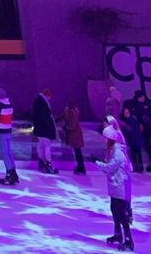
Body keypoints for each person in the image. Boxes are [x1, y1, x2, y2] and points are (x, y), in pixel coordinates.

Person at [93, 122, 134, 251]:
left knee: (121, 214)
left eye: (105, 137)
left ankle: (129, 241)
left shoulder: (118, 153)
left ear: (110, 138)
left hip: (120, 186)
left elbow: (109, 168)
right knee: (115, 211)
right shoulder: (113, 151)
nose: (103, 139)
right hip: (115, 186)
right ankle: (118, 235)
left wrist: (96, 162)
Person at [0, 87, 19, 185]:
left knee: (5, 154)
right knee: (9, 153)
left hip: (1, 132)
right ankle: (14, 173)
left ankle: (9, 175)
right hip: (8, 131)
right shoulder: (9, 105)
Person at [31, 87, 58, 174]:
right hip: (45, 129)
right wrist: (49, 127)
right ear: (46, 95)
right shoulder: (43, 103)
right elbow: (45, 117)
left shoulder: (38, 101)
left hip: (39, 129)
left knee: (41, 145)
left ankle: (41, 162)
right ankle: (48, 164)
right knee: (46, 146)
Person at [59, 99, 86, 174]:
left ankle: (81, 167)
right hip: (74, 135)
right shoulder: (69, 111)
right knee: (77, 151)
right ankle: (80, 166)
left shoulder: (72, 113)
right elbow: (62, 116)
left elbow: (73, 125)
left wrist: (65, 127)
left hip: (75, 135)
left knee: (78, 151)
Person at [119, 105, 144, 173]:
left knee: (138, 154)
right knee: (133, 155)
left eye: (127, 112)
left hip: (136, 139)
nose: (126, 114)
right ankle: (135, 167)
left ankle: (140, 167)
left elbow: (136, 130)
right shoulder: (124, 122)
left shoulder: (133, 119)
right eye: (125, 113)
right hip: (131, 140)